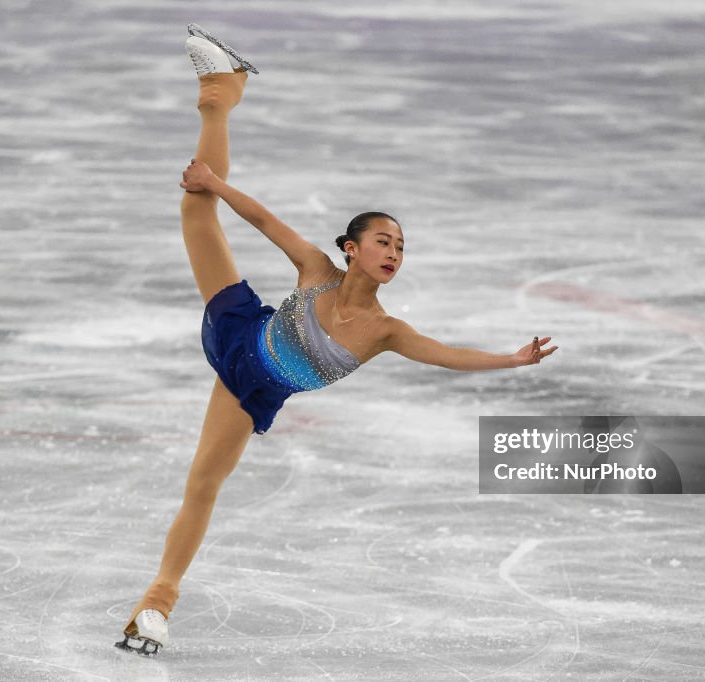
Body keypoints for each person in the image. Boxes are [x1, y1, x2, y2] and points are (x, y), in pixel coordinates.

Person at [116, 23, 559, 656]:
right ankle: (221, 90)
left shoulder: (386, 333)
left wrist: (510, 360)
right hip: (239, 325)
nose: (394, 253)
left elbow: (446, 355)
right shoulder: (316, 272)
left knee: (202, 486)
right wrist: (214, 184)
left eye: (401, 247)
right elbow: (266, 220)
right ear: (351, 249)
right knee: (195, 206)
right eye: (384, 241)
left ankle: (156, 604)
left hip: (249, 389)